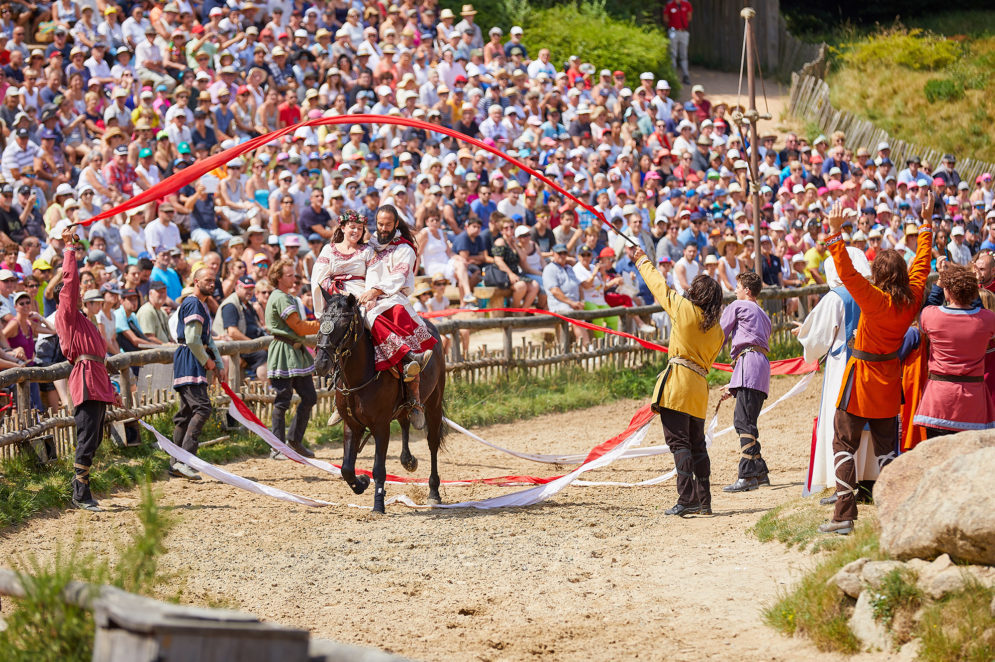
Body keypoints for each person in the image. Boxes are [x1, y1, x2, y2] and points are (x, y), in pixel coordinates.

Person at [818, 196, 933, 536]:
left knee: (843, 444)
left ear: (878, 276)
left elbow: (847, 273)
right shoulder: (910, 299)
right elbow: (922, 264)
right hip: (888, 384)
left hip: (862, 382)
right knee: (886, 451)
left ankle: (843, 516)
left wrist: (835, 232)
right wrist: (925, 224)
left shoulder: (873, 298)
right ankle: (894, 511)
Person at [635, 248, 724, 516]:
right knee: (697, 444)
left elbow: (658, 286)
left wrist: (642, 260)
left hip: (679, 386)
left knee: (679, 443)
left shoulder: (684, 308)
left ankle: (687, 499)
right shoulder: (717, 331)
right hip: (698, 389)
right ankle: (704, 500)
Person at [795, 246, 880, 500]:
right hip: (873, 367)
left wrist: (805, 341)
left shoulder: (837, 297)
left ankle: (843, 483)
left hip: (844, 367)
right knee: (868, 423)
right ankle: (867, 479)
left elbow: (817, 339)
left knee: (843, 424)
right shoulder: (875, 293)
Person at [55, 225, 117, 511]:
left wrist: (111, 390)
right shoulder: (67, 316)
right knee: (87, 436)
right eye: (71, 293)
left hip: (96, 381)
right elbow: (70, 283)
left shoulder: (87, 323)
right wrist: (70, 250)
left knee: (94, 436)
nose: (75, 294)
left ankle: (81, 487)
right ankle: (80, 492)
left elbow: (99, 361)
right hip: (85, 381)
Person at [358, 204, 437, 429]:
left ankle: (414, 399)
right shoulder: (368, 245)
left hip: (392, 298)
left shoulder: (405, 248)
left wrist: (376, 292)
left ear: (395, 224)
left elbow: (398, 277)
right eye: (380, 224)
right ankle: (342, 398)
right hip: (365, 299)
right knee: (344, 330)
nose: (383, 229)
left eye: (388, 225)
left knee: (398, 314)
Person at [913, 264, 995, 436]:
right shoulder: (987, 319)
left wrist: (939, 283)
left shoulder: (931, 315)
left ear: (947, 291)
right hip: (973, 402)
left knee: (938, 459)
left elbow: (924, 311)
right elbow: (981, 310)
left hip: (939, 400)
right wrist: (971, 283)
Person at [719, 272, 772, 493]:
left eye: (738, 287)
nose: (735, 291)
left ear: (746, 291)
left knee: (743, 421)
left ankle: (747, 474)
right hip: (759, 367)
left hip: (748, 363)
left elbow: (718, 334)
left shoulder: (738, 306)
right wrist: (733, 385)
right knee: (747, 418)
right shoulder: (764, 315)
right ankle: (759, 472)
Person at [170, 268, 223, 480]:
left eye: (214, 280)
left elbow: (207, 340)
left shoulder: (202, 305)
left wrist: (218, 364)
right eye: (207, 280)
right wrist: (207, 361)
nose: (212, 283)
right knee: (202, 408)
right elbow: (193, 339)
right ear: (196, 281)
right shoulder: (192, 303)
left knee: (186, 414)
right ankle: (185, 460)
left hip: (192, 358)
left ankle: (176, 463)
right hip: (190, 359)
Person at [266, 258, 321, 457]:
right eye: (289, 275)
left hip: (295, 352)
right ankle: (277, 446)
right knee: (282, 400)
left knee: (309, 396)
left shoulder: (287, 297)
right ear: (278, 278)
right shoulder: (280, 297)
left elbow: (298, 327)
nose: (293, 279)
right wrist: (320, 324)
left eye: (293, 275)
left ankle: (294, 441)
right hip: (283, 350)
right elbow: (297, 326)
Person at [663, 0, 692, 85]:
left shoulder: (686, 4)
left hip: (683, 32)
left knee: (684, 55)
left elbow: (689, 17)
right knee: (673, 54)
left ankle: (685, 76)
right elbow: (665, 18)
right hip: (673, 32)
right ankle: (673, 76)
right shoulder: (669, 5)